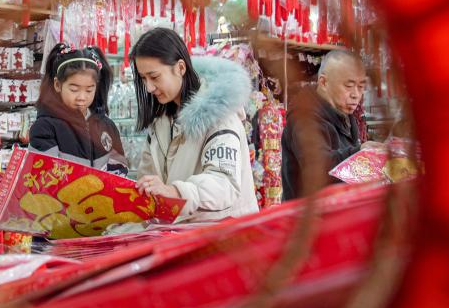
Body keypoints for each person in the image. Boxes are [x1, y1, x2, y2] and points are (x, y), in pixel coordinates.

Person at [131, 28, 259, 221]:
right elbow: (148, 178)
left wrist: (174, 192)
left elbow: (224, 184)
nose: (148, 87)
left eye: (154, 77)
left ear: (180, 68)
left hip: (224, 239)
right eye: (143, 79)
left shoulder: (219, 117)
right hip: (178, 237)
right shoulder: (161, 121)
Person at [280, 49, 382, 200]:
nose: (356, 95)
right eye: (349, 86)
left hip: (336, 214)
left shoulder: (345, 114)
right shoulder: (304, 119)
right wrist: (359, 153)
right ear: (323, 82)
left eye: (361, 87)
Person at [29, 43, 128, 175]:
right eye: (74, 89)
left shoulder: (107, 126)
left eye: (89, 90)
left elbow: (119, 169)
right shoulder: (45, 128)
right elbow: (42, 176)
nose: (82, 97)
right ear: (58, 85)